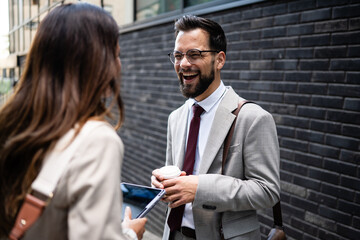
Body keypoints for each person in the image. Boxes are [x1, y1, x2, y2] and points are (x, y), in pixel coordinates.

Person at [0, 3, 146, 240]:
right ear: (95, 63)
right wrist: (128, 234)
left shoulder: (13, 125)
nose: (119, 65)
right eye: (116, 54)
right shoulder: (97, 140)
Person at [151, 15, 280, 240]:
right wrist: (164, 185)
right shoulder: (176, 117)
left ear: (219, 60)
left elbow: (267, 191)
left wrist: (200, 188)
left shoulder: (253, 118)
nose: (183, 64)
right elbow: (177, 177)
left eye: (194, 54)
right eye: (178, 55)